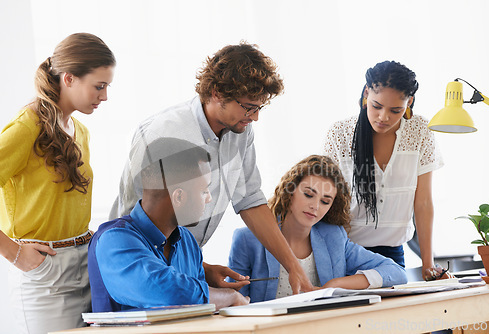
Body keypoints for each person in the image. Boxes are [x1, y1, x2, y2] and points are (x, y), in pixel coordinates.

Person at [110, 42, 313, 293]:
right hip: (143, 269)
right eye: (249, 107)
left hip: (184, 265)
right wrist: (199, 268)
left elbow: (249, 199)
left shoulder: (241, 131)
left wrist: (294, 267)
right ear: (217, 93)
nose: (255, 117)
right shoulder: (163, 132)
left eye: (259, 107)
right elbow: (135, 223)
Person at [0, 33, 115, 333]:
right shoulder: (27, 126)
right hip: (45, 273)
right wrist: (13, 253)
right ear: (69, 79)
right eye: (99, 86)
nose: (104, 96)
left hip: (85, 264)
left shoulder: (80, 131)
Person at [88, 137, 249, 312]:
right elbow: (170, 293)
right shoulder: (114, 240)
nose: (209, 198)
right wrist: (231, 298)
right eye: (204, 190)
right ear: (178, 197)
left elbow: (199, 309)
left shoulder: (186, 240)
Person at [227, 155, 406, 303]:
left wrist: (335, 285)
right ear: (290, 191)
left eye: (325, 201)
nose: (315, 206)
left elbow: (396, 272)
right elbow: (235, 302)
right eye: (308, 195)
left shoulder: (334, 237)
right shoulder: (247, 239)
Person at [323, 60, 444, 279]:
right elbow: (326, 202)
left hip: (392, 254)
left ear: (409, 102)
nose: (384, 117)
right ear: (366, 94)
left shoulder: (420, 132)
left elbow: (423, 202)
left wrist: (428, 264)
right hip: (344, 251)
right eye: (376, 106)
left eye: (395, 110)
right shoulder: (340, 134)